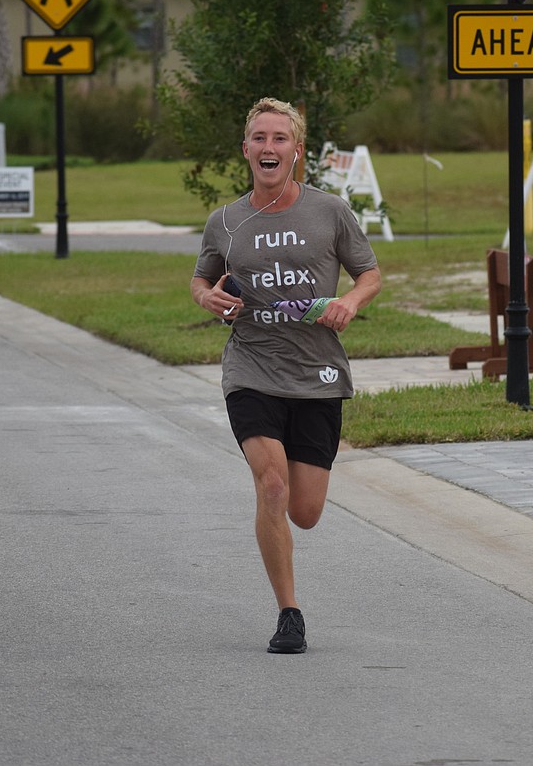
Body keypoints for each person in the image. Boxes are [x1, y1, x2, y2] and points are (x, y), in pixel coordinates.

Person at [191, 97, 381, 654]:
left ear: (297, 151)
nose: (269, 148)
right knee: (271, 485)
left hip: (317, 371)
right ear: (245, 149)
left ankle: (290, 578)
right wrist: (209, 299)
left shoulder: (330, 212)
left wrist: (350, 302)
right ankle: (289, 613)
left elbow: (370, 275)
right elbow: (202, 280)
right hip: (251, 364)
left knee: (306, 512)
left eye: (280, 139)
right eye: (259, 138)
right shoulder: (224, 220)